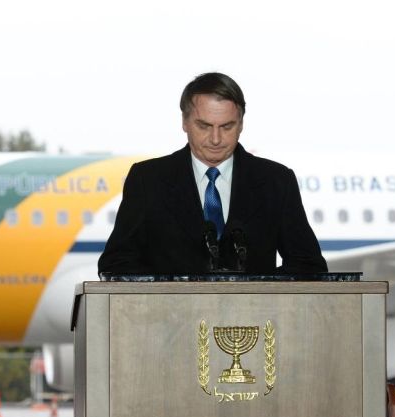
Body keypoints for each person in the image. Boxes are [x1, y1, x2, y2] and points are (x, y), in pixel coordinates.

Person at [98, 72, 327, 276]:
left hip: (254, 321)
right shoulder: (147, 180)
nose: (216, 139)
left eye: (227, 126)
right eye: (204, 126)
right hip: (171, 320)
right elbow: (116, 264)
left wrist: (258, 289)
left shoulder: (276, 181)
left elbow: (308, 265)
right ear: (184, 123)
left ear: (241, 125)